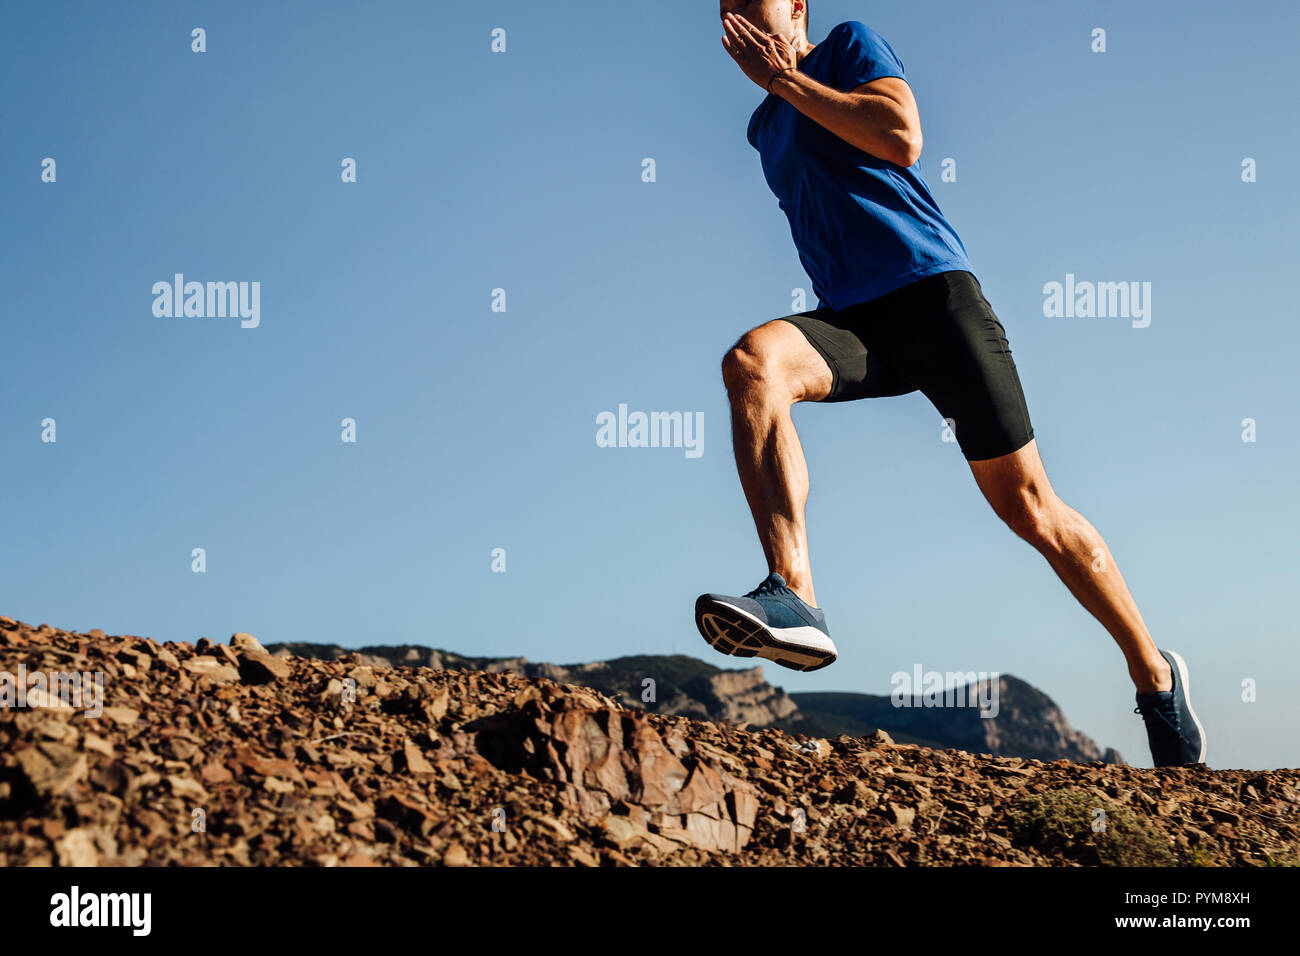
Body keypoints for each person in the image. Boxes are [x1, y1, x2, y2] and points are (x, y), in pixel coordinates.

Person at [696, 1, 1205, 767]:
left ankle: (1154, 674)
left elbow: (900, 138)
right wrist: (778, 94)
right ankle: (793, 593)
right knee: (752, 364)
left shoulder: (847, 47)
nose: (736, 12)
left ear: (796, 5)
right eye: (724, 4)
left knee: (1031, 509)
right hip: (855, 323)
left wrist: (787, 81)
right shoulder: (762, 126)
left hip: (934, 299)